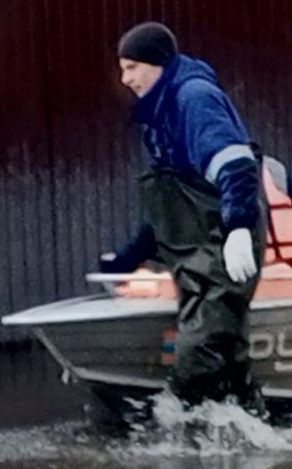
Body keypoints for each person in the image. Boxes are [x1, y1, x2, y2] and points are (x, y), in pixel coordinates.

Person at [112, 21, 263, 407]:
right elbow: (170, 209)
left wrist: (240, 229)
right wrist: (127, 260)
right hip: (193, 257)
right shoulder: (158, 117)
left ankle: (179, 436)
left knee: (201, 349)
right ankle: (247, 429)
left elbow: (235, 165)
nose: (124, 78)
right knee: (225, 357)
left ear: (156, 63)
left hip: (219, 243)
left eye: (132, 67)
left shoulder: (193, 98)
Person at [101, 154, 292, 298]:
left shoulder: (192, 177)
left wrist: (117, 267)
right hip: (286, 285)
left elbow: (152, 235)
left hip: (231, 295)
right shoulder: (271, 170)